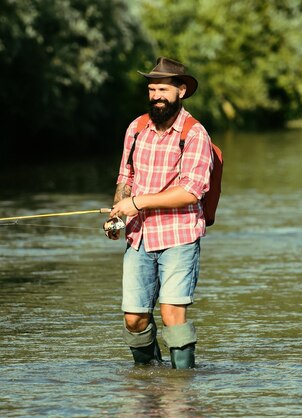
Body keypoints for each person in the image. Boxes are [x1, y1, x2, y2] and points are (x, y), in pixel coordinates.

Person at [105, 57, 213, 369]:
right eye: (152, 89)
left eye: (163, 89)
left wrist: (137, 204)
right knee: (135, 318)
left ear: (181, 90)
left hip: (179, 236)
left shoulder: (195, 134)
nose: (156, 95)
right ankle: (149, 379)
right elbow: (126, 179)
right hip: (138, 237)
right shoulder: (136, 128)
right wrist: (117, 216)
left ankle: (181, 385)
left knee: (171, 313)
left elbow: (192, 192)